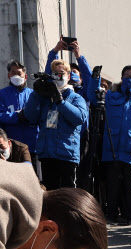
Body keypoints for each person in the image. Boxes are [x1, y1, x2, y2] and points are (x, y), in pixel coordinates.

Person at [23, 59, 88, 189]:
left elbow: (79, 118)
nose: (58, 76)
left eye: (61, 73)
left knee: (67, 195)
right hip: (47, 154)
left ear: (68, 76)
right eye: (55, 73)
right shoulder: (44, 98)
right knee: (50, 193)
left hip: (67, 154)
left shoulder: (76, 98)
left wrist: (60, 102)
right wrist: (36, 94)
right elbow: (30, 116)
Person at [101, 65, 131, 224]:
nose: (129, 79)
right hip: (113, 149)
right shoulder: (110, 97)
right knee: (113, 186)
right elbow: (91, 90)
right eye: (126, 76)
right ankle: (111, 216)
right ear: (121, 78)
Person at [0, 60, 39, 174]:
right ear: (8, 75)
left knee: (31, 175)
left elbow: (38, 115)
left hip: (31, 144)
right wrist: (18, 116)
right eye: (13, 73)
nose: (16, 76)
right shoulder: (2, 94)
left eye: (19, 73)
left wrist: (28, 117)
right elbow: (1, 115)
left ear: (25, 76)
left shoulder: (33, 94)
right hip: (12, 144)